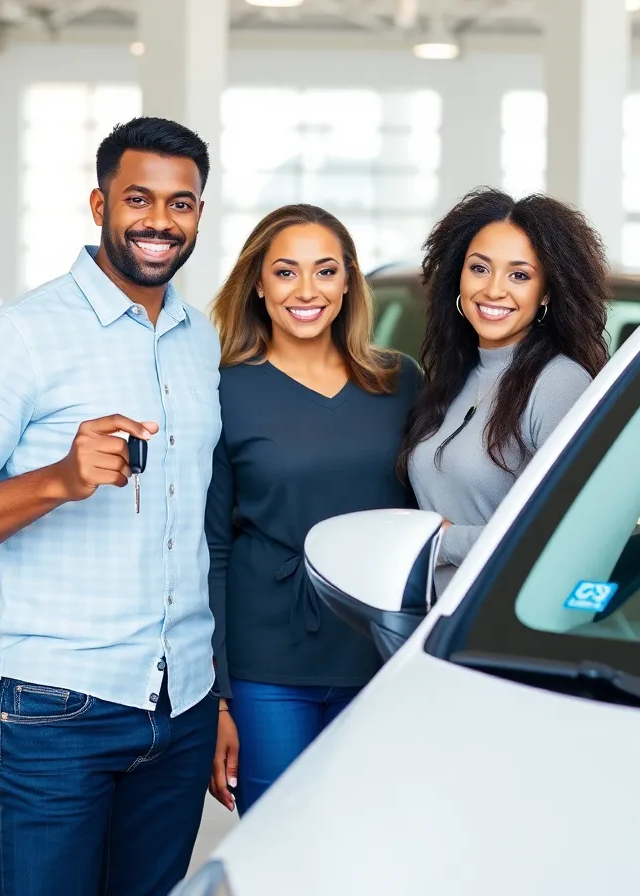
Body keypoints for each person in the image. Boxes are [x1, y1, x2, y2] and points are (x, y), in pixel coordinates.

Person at [0, 117, 222, 896]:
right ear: (100, 203)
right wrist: (57, 480)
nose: (160, 222)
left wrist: (218, 695)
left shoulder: (199, 341)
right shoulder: (17, 337)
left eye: (182, 204)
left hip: (183, 709)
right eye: (139, 198)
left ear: (199, 215)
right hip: (58, 711)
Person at [204, 204, 422, 815]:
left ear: (349, 281)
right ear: (258, 284)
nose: (306, 291)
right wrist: (218, 699)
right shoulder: (222, 389)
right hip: (265, 663)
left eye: (325, 271)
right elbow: (213, 548)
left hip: (379, 653)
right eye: (285, 272)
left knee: (368, 839)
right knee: (279, 840)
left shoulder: (400, 381)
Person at [399, 187, 610, 589]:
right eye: (479, 268)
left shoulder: (558, 382)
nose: (494, 290)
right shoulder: (455, 374)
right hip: (436, 618)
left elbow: (563, 531)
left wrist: (441, 541)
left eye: (519, 275)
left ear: (546, 291)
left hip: (499, 622)